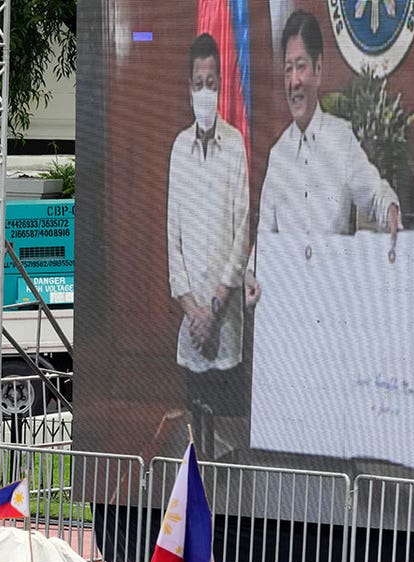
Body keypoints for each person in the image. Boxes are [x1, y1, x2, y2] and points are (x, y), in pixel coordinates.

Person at [248, 9, 401, 301]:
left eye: (301, 67)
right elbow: (264, 239)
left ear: (318, 70)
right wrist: (250, 272)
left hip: (332, 308)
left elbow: (375, 193)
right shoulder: (278, 155)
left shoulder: (341, 138)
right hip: (287, 308)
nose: (294, 80)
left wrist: (390, 209)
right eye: (288, 69)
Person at [165, 32, 250, 455]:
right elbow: (172, 239)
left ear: (221, 86)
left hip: (225, 316)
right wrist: (194, 311)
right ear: (189, 88)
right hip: (191, 318)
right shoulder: (179, 148)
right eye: (198, 83)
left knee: (231, 442)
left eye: (211, 83)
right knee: (198, 441)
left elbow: (242, 233)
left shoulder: (235, 145)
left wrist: (214, 309)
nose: (205, 91)